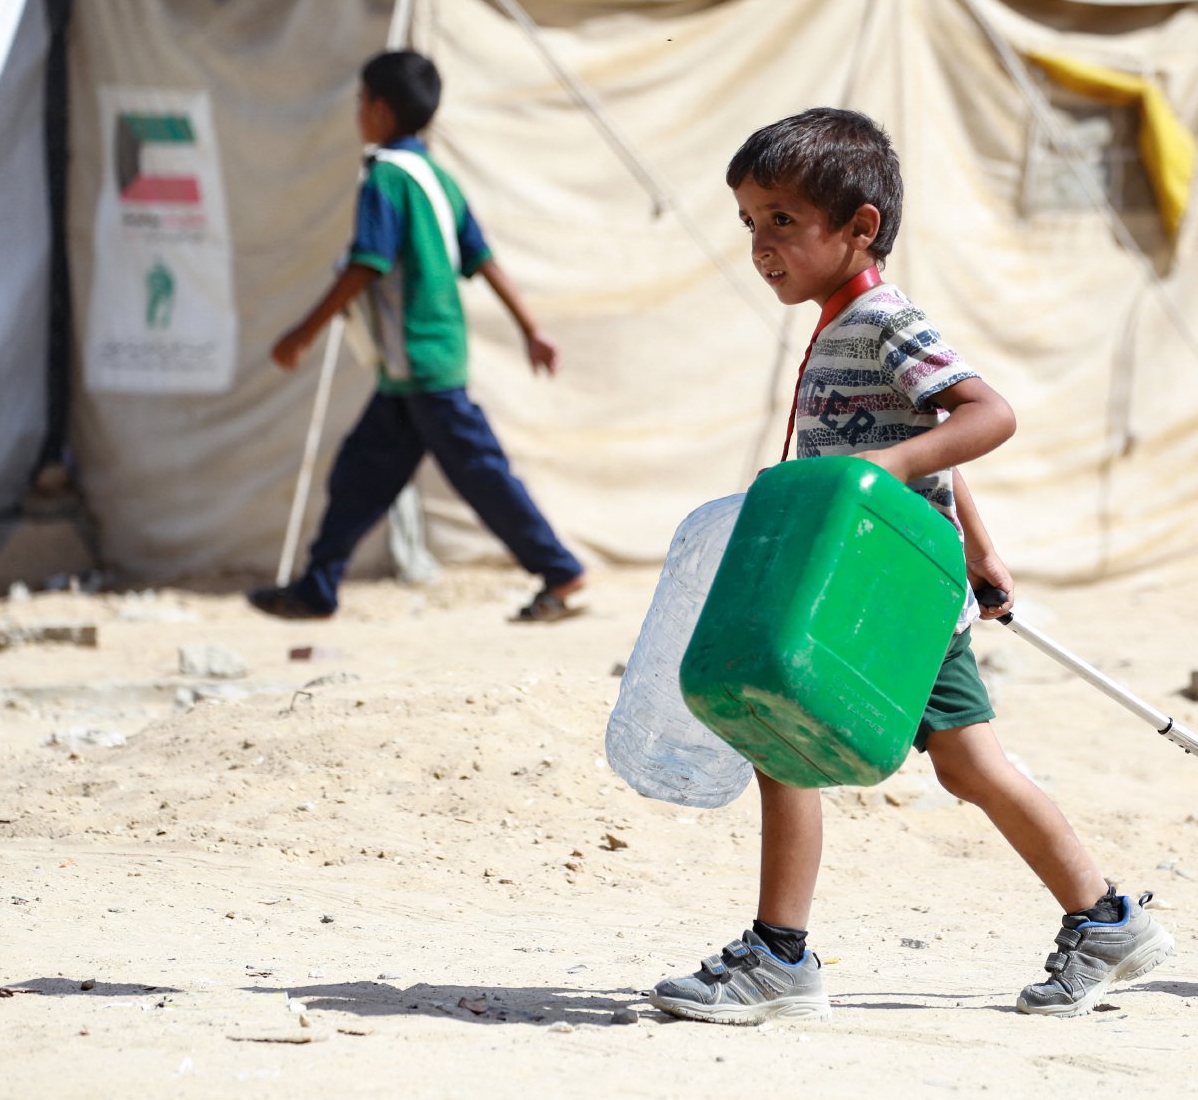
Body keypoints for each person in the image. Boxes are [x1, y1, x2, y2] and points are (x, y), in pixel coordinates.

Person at [647, 108, 1173, 1024]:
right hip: (880, 590)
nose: (761, 245)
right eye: (750, 223)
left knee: (790, 747)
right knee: (969, 768)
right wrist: (978, 546)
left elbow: (985, 413)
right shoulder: (836, 321)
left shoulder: (885, 320)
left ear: (860, 228)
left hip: (881, 600)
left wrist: (877, 473)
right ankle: (1105, 920)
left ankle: (779, 960)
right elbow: (932, 440)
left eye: (782, 221)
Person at [248, 50, 585, 623]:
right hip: (413, 369)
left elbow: (367, 264)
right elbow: (483, 259)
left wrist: (304, 332)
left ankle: (559, 569)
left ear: (379, 109)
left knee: (481, 474)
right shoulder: (438, 179)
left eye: (360, 103)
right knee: (358, 475)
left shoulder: (385, 178)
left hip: (422, 364)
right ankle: (316, 587)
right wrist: (531, 329)